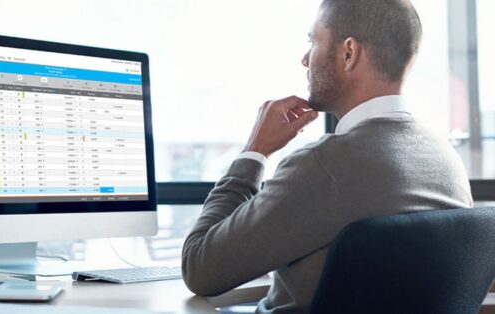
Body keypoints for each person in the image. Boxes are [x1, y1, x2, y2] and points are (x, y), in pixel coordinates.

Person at [181, 0, 473, 312]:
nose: (305, 59)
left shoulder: (323, 166)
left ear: (349, 53)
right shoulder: (447, 162)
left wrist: (254, 151)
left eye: (313, 41)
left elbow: (200, 268)